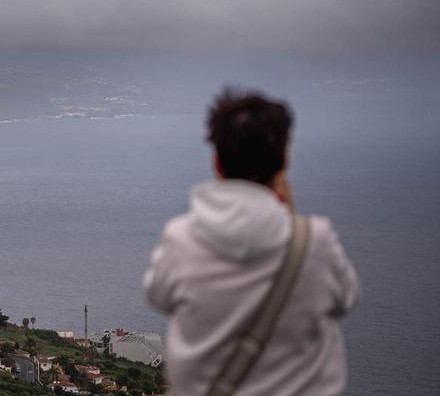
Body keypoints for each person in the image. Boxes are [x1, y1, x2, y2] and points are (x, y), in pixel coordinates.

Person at [144, 89, 360, 395]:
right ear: (284, 159)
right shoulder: (315, 242)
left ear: (216, 161)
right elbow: (346, 299)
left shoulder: (180, 240)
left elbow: (158, 296)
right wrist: (292, 219)